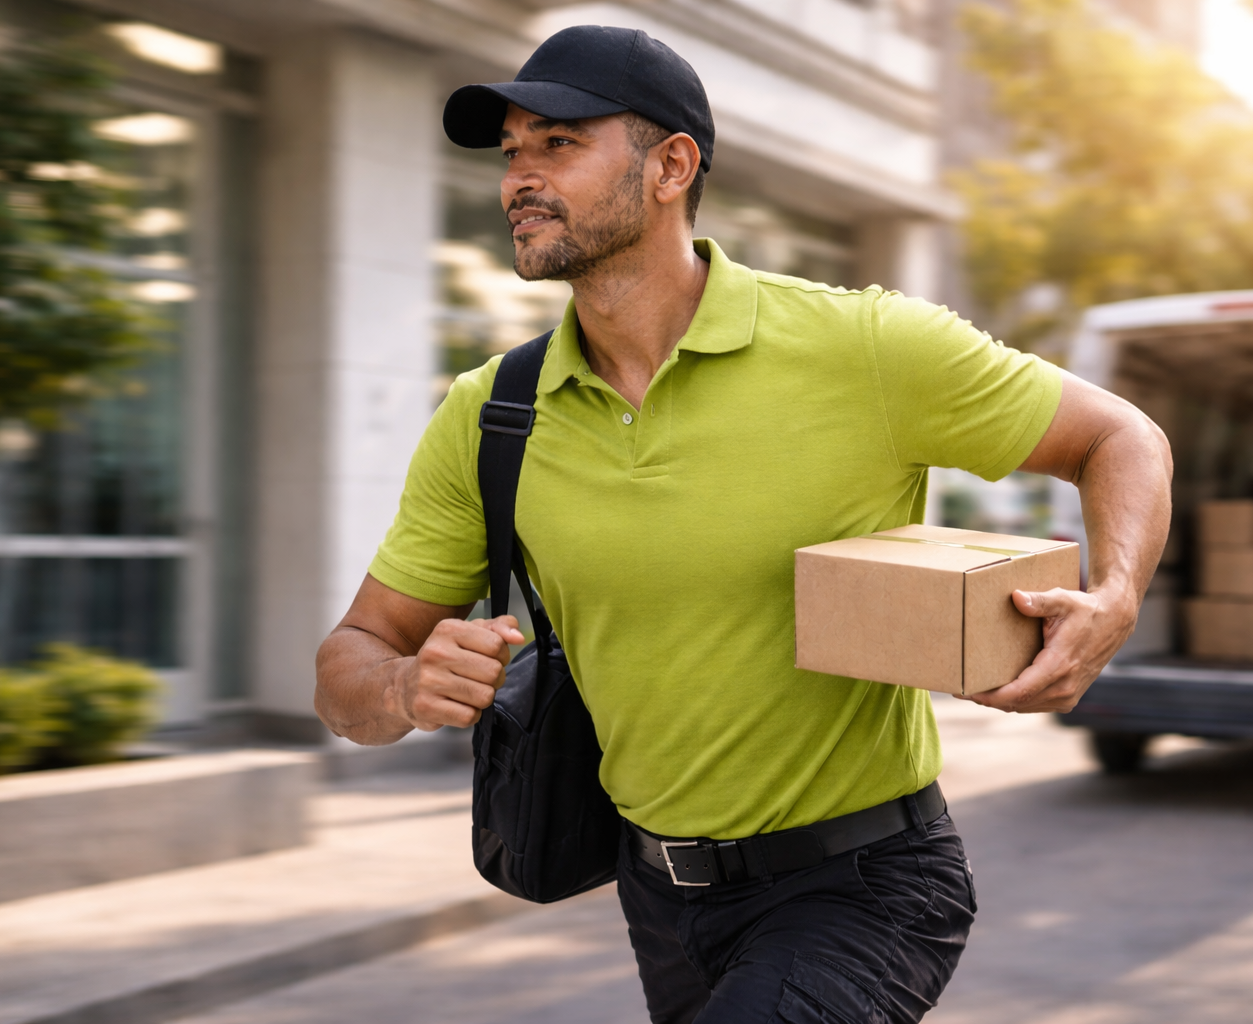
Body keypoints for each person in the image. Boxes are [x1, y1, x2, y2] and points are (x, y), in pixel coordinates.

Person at [314, 24, 1172, 1024]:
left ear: (671, 164)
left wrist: (1114, 600)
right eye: (511, 152)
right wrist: (407, 684)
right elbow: (348, 664)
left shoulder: (864, 347)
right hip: (658, 899)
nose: (519, 178)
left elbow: (1121, 437)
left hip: (863, 881)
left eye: (557, 144)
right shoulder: (493, 413)